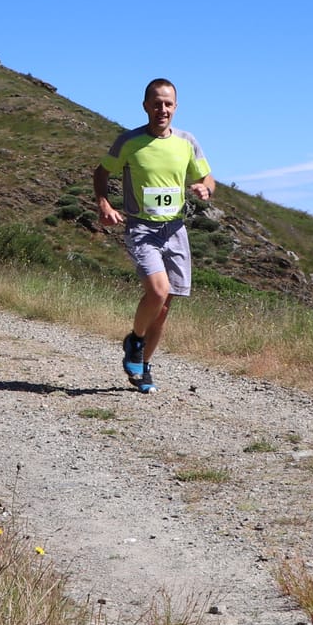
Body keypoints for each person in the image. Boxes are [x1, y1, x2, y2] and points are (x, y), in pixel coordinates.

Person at [93, 78, 214, 393]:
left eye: (168, 104)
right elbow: (102, 171)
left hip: (175, 229)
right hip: (141, 228)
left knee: (163, 307)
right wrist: (104, 204)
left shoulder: (187, 141)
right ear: (146, 106)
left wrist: (205, 187)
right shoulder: (129, 142)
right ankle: (135, 341)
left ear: (176, 107)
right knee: (158, 292)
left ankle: (143, 366)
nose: (163, 109)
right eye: (157, 103)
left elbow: (207, 177)